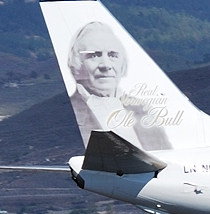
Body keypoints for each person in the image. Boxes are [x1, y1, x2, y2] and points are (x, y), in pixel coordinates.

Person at [67, 21, 171, 150]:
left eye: (112, 55)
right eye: (94, 55)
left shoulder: (143, 109)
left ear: (122, 63)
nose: (106, 65)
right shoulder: (68, 113)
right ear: (77, 64)